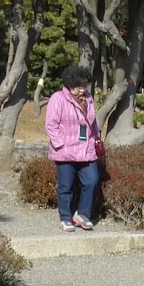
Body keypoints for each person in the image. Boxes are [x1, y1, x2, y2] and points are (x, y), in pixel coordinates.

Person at [44, 63, 101, 232]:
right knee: (65, 187)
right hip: (65, 151)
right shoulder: (58, 98)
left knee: (92, 181)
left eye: (84, 86)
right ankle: (65, 218)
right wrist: (61, 144)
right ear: (69, 84)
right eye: (78, 86)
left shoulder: (89, 98)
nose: (82, 89)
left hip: (86, 150)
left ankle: (82, 214)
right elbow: (51, 124)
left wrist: (96, 139)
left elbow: (93, 122)